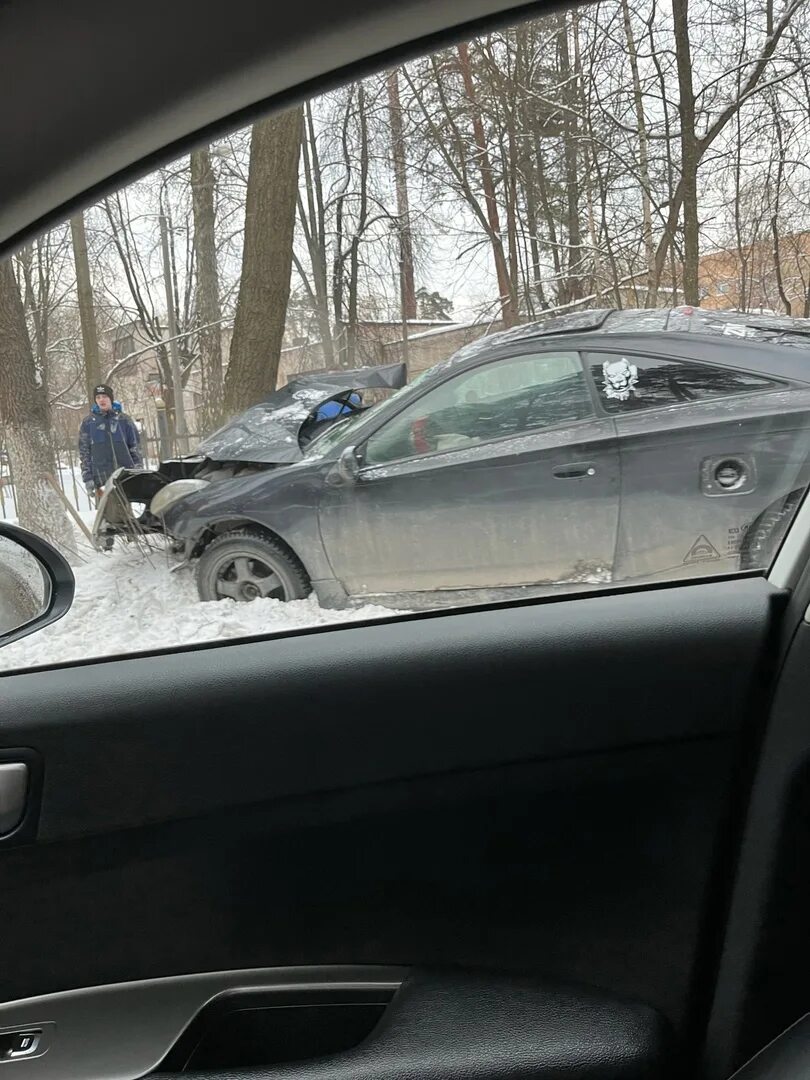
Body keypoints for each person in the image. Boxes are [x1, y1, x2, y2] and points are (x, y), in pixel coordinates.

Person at [79, 384, 143, 502]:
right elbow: (84, 453)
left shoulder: (124, 420)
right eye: (98, 397)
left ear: (111, 398)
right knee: (107, 516)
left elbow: (135, 448)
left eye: (104, 396)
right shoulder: (89, 423)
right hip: (101, 478)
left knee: (126, 514)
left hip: (124, 476)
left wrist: (138, 471)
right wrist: (88, 478)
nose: (101, 400)